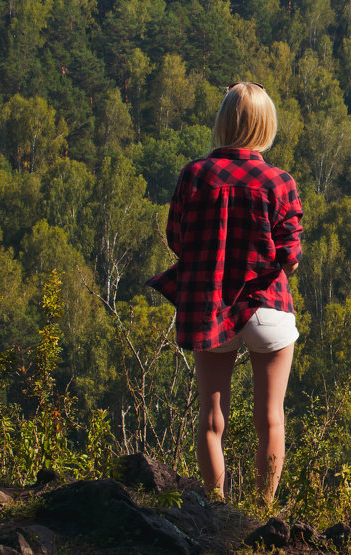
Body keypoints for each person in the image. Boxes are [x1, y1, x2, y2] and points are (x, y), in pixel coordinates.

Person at [147, 81, 303, 505]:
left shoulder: (194, 175)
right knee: (270, 420)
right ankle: (262, 513)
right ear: (265, 125)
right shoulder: (278, 181)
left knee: (211, 420)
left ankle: (216, 510)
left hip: (210, 307)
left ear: (223, 121)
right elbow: (290, 256)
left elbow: (176, 239)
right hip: (267, 310)